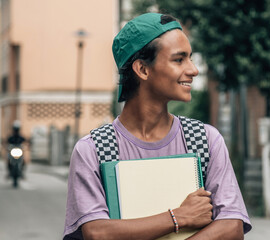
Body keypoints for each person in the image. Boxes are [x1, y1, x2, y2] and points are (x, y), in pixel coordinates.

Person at [63, 13, 252, 240]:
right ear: (142, 69)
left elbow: (232, 227)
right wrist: (179, 217)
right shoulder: (94, 150)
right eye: (179, 60)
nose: (193, 70)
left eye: (190, 58)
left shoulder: (205, 140)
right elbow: (98, 233)